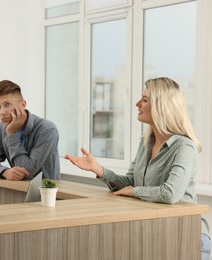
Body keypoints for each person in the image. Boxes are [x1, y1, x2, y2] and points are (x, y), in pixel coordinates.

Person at [65, 77, 210, 259]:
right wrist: (99, 170)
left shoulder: (184, 147)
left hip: (188, 234)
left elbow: (170, 194)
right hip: (159, 230)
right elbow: (130, 183)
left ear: (161, 106)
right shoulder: (146, 142)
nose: (137, 103)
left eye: (144, 99)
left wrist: (134, 191)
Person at [0, 80, 60, 181]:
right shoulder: (1, 128)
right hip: (18, 191)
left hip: (45, 193)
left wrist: (11, 134)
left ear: (23, 105)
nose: (2, 112)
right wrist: (4, 172)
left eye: (7, 104)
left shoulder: (47, 130)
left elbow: (27, 172)